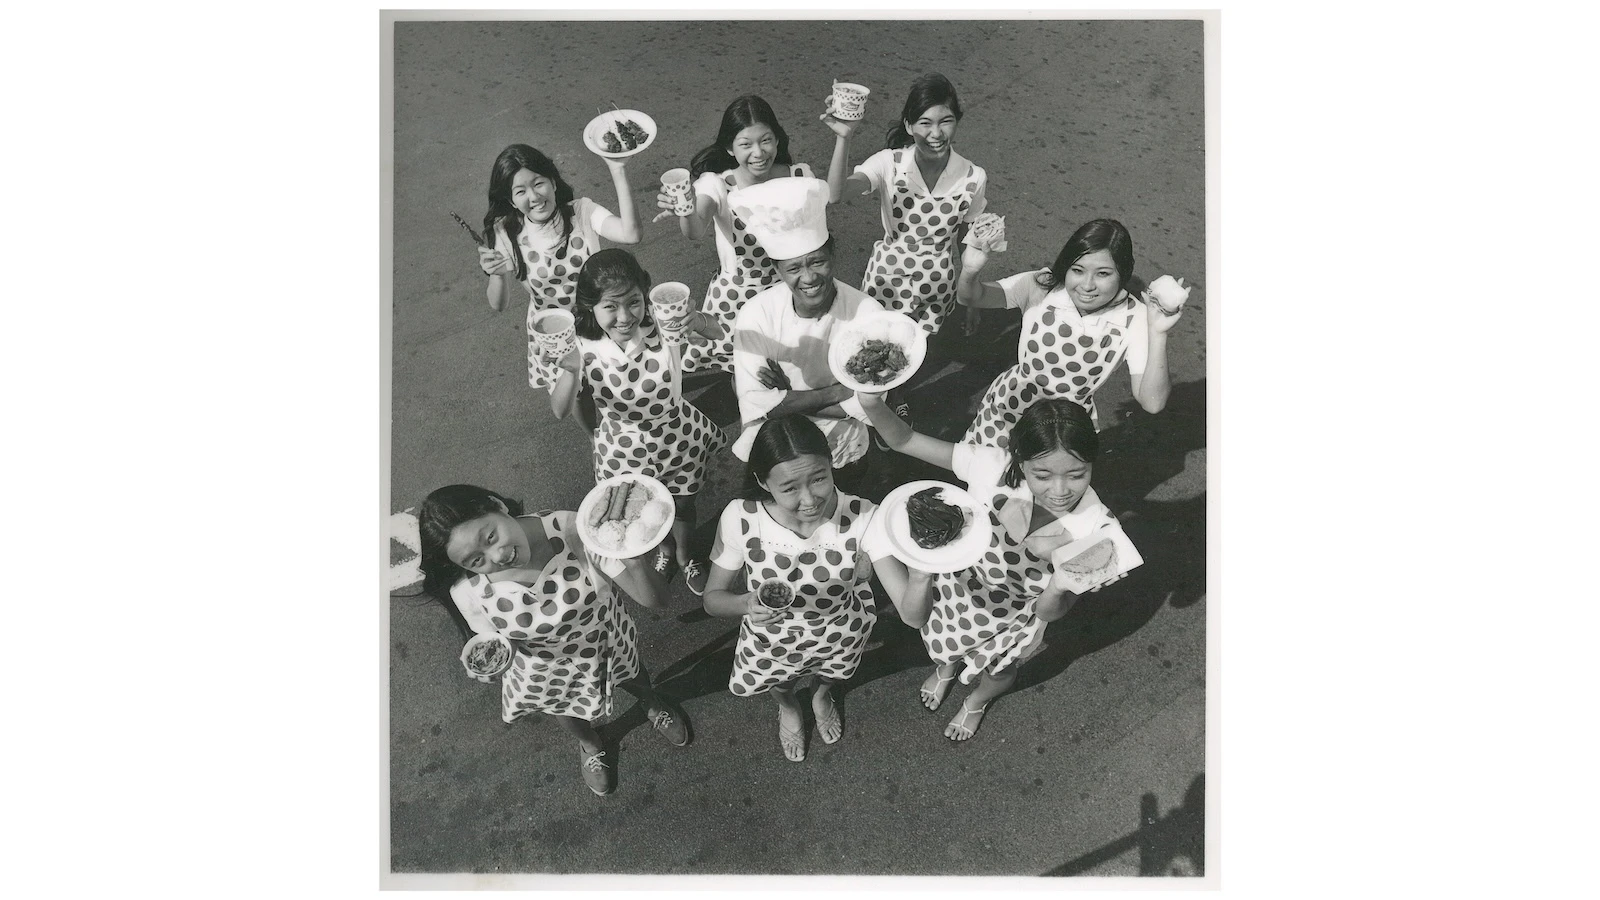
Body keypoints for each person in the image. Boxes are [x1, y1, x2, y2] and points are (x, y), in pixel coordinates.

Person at [859, 396, 1132, 742]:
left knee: (999, 670)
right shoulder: (991, 467)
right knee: (944, 640)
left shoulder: (1100, 532)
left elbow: (1051, 612)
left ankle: (976, 701)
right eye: (1042, 474)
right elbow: (905, 439)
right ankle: (947, 667)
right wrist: (869, 402)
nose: (1060, 491)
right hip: (960, 588)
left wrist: (1060, 582)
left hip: (1015, 616)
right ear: (1020, 459)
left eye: (1077, 474)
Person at [417, 484, 689, 797]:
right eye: (476, 560)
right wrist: (494, 663)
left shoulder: (575, 530)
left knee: (633, 674)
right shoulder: (467, 592)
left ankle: (652, 704)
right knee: (566, 710)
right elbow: (496, 641)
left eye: (490, 536)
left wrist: (634, 562)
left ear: (497, 505)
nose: (498, 556)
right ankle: (590, 744)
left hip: (606, 640)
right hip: (544, 668)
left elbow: (656, 600)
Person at [701, 415, 893, 762]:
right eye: (789, 488)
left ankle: (820, 696)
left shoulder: (864, 515)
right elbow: (713, 600)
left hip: (841, 627)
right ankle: (789, 707)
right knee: (780, 682)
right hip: (773, 638)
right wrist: (746, 604)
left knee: (832, 672)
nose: (809, 500)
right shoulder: (740, 519)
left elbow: (907, 607)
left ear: (831, 464)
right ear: (762, 481)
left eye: (819, 478)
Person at [549, 249, 728, 595]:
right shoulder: (581, 348)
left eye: (633, 302)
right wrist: (572, 379)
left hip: (678, 435)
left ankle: (685, 554)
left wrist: (698, 320)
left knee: (684, 503)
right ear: (590, 307)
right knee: (639, 508)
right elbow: (562, 408)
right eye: (610, 307)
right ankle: (664, 549)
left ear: (644, 294)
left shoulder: (661, 321)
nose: (624, 317)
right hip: (621, 445)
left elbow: (719, 332)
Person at [725, 176, 895, 492]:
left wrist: (786, 396)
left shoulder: (866, 312)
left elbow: (869, 403)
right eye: (794, 268)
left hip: (843, 448)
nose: (808, 278)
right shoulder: (756, 313)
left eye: (817, 262)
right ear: (778, 270)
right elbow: (754, 401)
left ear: (833, 257)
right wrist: (835, 392)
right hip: (778, 454)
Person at [956, 218, 1185, 447]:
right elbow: (971, 297)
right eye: (1077, 270)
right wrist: (970, 270)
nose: (1087, 285)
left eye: (1103, 274)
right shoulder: (1041, 285)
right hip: (1009, 407)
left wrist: (1158, 333)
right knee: (978, 467)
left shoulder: (1135, 317)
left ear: (1122, 273)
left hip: (1064, 430)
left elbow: (1152, 403)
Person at [477, 143, 642, 432]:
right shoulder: (507, 233)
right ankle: (595, 439)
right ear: (511, 201)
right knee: (578, 392)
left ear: (553, 182)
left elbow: (631, 233)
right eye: (520, 191)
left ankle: (635, 426)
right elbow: (498, 304)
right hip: (555, 332)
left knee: (621, 379)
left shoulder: (582, 211)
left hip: (599, 319)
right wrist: (497, 275)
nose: (534, 196)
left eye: (538, 183)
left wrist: (618, 169)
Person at [653, 96, 816, 374]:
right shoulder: (717, 185)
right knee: (741, 365)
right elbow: (695, 230)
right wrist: (685, 209)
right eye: (746, 144)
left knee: (788, 366)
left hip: (790, 290)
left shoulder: (800, 177)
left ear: (777, 140)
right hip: (738, 296)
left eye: (765, 141)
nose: (758, 153)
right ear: (729, 148)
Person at [822, 73, 990, 340]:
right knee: (873, 346)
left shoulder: (973, 177)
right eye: (925, 123)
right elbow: (835, 195)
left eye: (946, 121)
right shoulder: (889, 163)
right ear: (909, 126)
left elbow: (966, 242)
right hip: (886, 279)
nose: (936, 133)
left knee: (915, 351)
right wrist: (844, 137)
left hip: (937, 284)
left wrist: (972, 298)